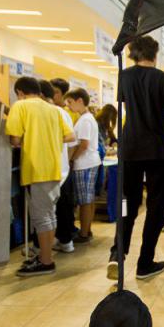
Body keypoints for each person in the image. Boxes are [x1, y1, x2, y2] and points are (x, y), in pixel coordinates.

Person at [110, 35, 164, 281]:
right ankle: (144, 262)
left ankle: (117, 253)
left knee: (126, 202)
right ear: (155, 54)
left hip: (130, 150)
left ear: (133, 53)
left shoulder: (124, 77)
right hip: (157, 151)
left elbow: (123, 110)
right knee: (157, 206)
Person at [6, 77, 74, 277]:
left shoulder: (20, 106)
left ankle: (46, 261)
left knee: (41, 218)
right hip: (54, 168)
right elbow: (69, 136)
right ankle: (45, 256)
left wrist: (31, 140)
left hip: (36, 168)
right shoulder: (54, 110)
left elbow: (15, 139)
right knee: (49, 215)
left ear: (20, 92)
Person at [39, 79, 77, 253]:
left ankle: (44, 250)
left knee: (48, 212)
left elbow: (72, 140)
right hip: (62, 168)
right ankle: (64, 241)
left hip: (49, 169)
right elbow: (71, 141)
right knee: (62, 209)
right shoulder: (62, 113)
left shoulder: (51, 112)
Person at [64, 88, 102, 244]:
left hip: (84, 164)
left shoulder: (85, 120)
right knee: (88, 199)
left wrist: (71, 159)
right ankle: (87, 230)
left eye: (70, 102)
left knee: (84, 201)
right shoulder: (86, 118)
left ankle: (84, 233)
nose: (68, 106)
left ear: (80, 101)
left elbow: (84, 144)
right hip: (89, 162)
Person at [49, 77, 79, 243]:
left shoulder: (66, 114)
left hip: (62, 166)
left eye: (55, 92)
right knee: (62, 205)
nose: (52, 95)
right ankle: (65, 237)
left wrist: (68, 160)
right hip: (62, 165)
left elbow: (72, 141)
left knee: (63, 205)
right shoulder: (58, 112)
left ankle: (65, 237)